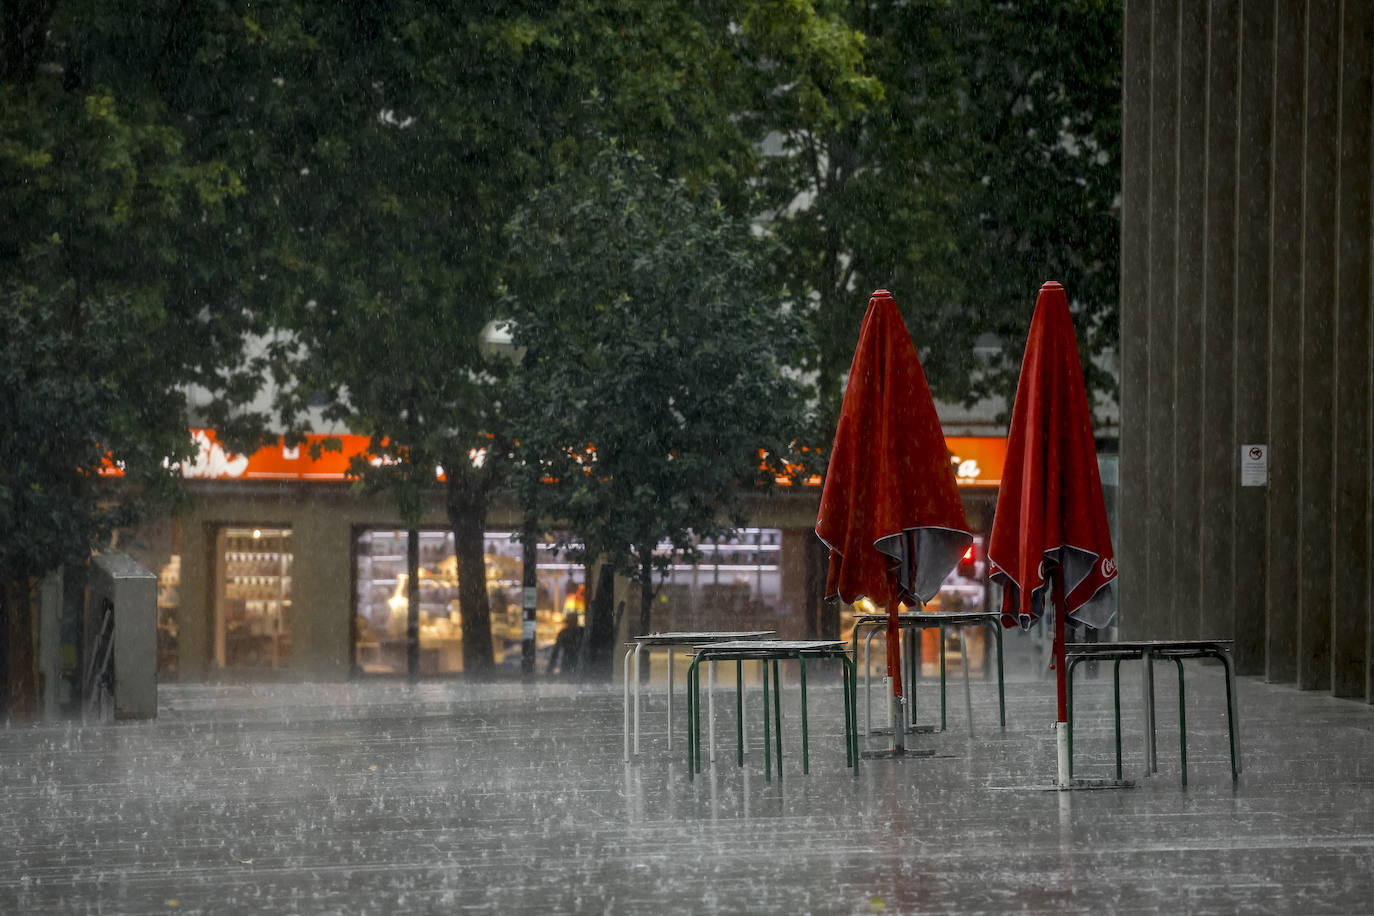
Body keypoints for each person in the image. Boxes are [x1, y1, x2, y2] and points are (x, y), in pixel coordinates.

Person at [548, 612, 583, 677]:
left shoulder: (564, 632)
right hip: (576, 663)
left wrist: (549, 669)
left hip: (568, 663)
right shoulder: (580, 632)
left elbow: (555, 652)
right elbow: (555, 652)